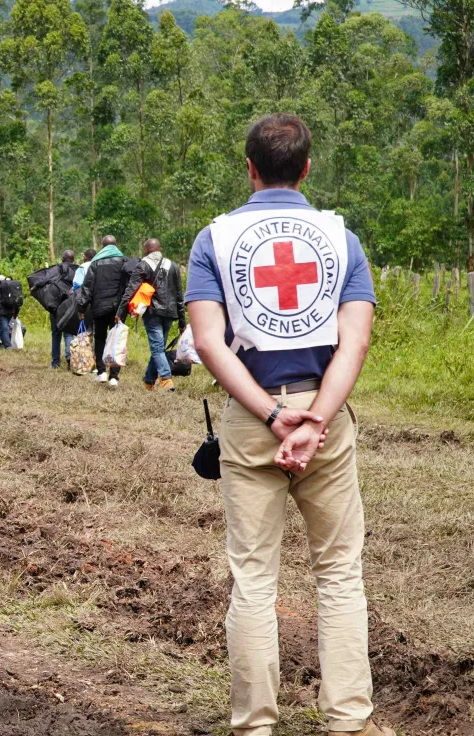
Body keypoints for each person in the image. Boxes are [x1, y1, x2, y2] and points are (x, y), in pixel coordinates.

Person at [187, 113, 386, 736]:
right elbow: (353, 343)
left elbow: (208, 342)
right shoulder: (339, 239)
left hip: (252, 422)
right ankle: (349, 721)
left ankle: (254, 725)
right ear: (306, 167)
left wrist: (274, 415)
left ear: (249, 168)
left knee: (253, 576)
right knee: (339, 573)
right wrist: (316, 419)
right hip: (326, 425)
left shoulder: (212, 240)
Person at [119, 238, 186, 392]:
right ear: (160, 249)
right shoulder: (173, 265)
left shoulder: (143, 264)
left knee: (157, 348)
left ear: (146, 250)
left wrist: (120, 312)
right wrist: (182, 321)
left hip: (153, 312)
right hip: (170, 313)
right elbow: (179, 295)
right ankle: (149, 382)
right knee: (159, 347)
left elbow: (130, 290)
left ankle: (166, 379)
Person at [78, 236, 135, 388]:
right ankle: (114, 377)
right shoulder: (124, 261)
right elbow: (131, 284)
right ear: (116, 245)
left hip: (99, 307)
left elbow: (87, 287)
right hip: (119, 309)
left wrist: (81, 308)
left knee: (100, 339)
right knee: (117, 340)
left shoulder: (96, 263)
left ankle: (101, 372)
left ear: (102, 247)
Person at [51, 251, 82, 369]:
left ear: (63, 259)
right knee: (68, 332)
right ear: (73, 259)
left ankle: (55, 363)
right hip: (71, 306)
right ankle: (70, 358)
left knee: (56, 334)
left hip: (56, 305)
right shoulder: (78, 270)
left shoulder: (56, 269)